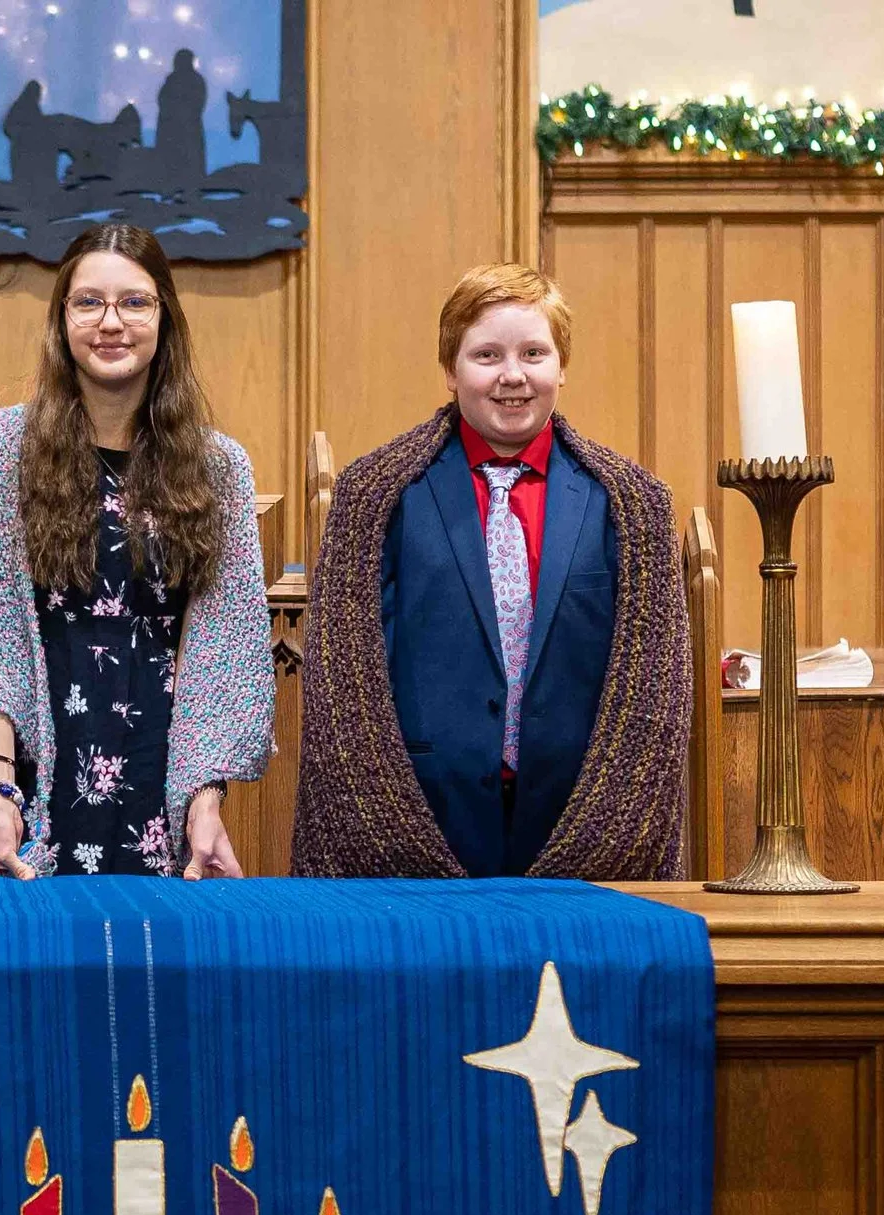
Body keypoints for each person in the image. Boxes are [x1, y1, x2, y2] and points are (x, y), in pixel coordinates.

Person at [292, 262, 688, 880]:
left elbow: (654, 689)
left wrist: (607, 819)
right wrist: (385, 817)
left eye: (533, 353)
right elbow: (342, 681)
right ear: (451, 371)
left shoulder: (631, 504)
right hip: (416, 821)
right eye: (486, 355)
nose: (513, 375)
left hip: (581, 821)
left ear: (562, 366)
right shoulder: (378, 494)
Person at [0, 223, 272, 879]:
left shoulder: (217, 467)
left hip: (159, 780)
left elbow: (227, 647)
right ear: (61, 318)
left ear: (165, 318)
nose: (111, 322)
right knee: (11, 942)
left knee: (150, 945)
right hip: (17, 779)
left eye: (134, 302)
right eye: (88, 302)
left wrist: (206, 799)